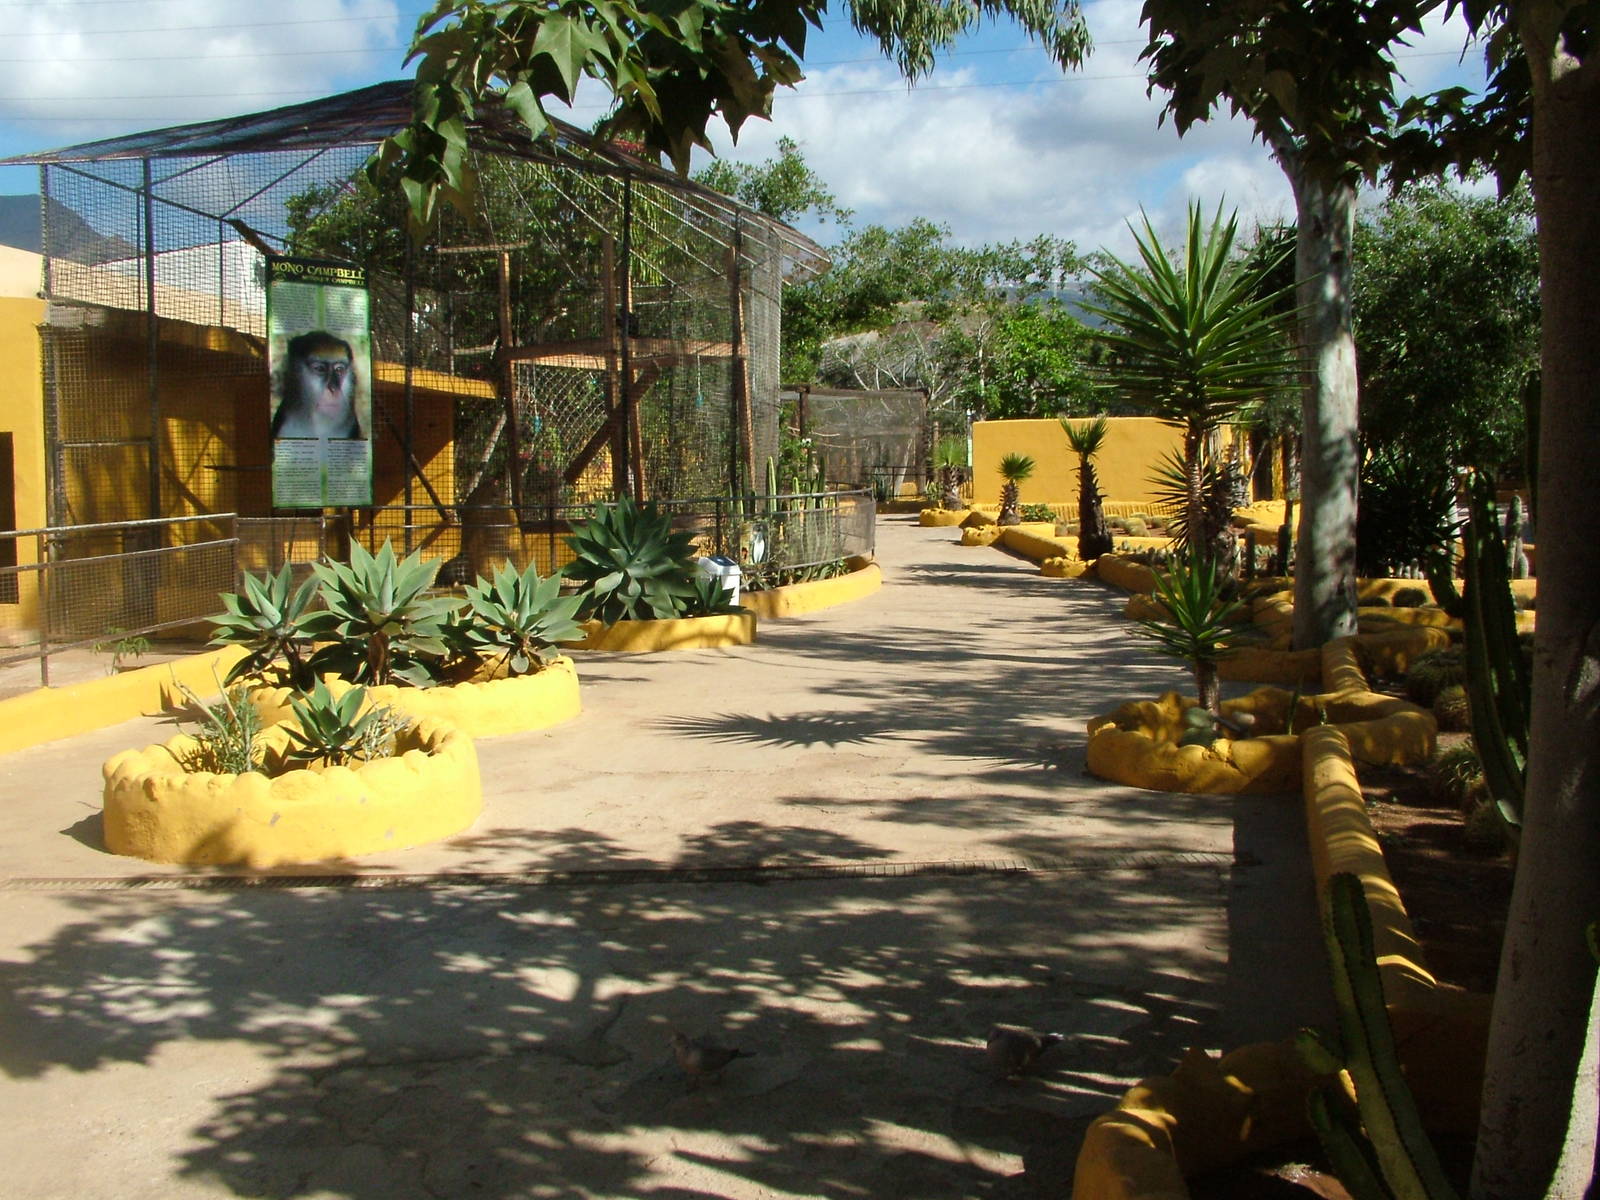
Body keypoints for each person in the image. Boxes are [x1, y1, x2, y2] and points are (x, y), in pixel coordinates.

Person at [271, 331, 362, 439]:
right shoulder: (284, 424)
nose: (333, 388)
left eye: (339, 369)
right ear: (294, 373)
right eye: (320, 369)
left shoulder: (350, 426)